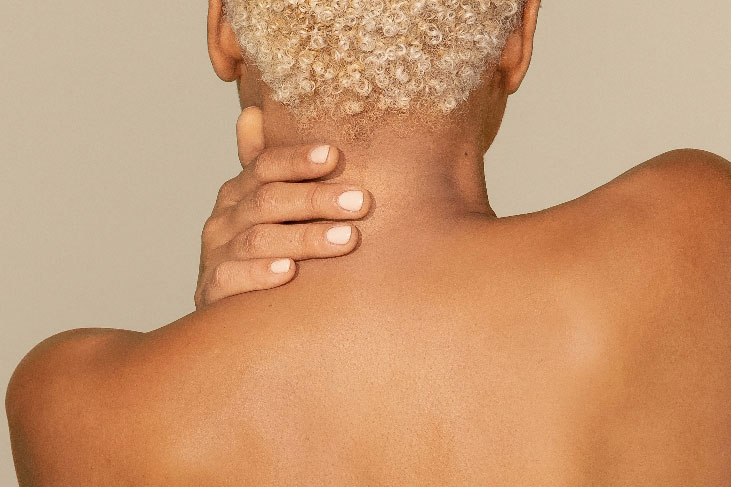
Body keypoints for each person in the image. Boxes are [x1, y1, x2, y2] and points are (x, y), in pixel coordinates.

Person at [6, 0, 731, 484]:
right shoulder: (695, 231)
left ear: (224, 26)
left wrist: (217, 326)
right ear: (516, 35)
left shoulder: (73, 402)